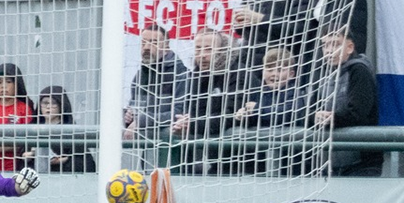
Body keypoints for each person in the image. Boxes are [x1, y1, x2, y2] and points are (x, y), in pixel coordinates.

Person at [171, 29, 251, 174]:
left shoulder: (239, 74)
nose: (202, 55)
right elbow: (192, 110)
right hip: (213, 155)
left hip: (242, 162)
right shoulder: (195, 75)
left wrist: (192, 124)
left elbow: (232, 116)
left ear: (222, 51)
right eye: (198, 49)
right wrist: (184, 122)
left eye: (208, 49)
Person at [316, 28, 381, 175]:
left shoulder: (359, 71)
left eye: (336, 44)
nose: (329, 50)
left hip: (362, 162)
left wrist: (333, 118)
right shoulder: (323, 75)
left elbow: (358, 111)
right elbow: (310, 108)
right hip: (332, 160)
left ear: (350, 47)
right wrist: (315, 117)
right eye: (325, 45)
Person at [233, 47, 305, 175]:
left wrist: (257, 111)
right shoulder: (258, 93)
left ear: (291, 74)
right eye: (269, 69)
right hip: (259, 160)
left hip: (290, 162)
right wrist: (244, 116)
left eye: (280, 70)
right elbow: (254, 119)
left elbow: (287, 113)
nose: (274, 74)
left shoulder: (295, 93)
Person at [125, 25, 189, 144]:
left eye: (153, 43)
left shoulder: (180, 73)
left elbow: (179, 114)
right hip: (148, 149)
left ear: (166, 47)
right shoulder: (139, 77)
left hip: (176, 149)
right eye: (143, 43)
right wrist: (128, 116)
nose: (146, 48)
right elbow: (135, 109)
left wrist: (141, 121)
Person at [0, 62, 35, 174]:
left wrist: (5, 147)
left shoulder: (24, 109)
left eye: (8, 81)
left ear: (17, 84)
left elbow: (28, 142)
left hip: (14, 168)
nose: (3, 86)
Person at [36, 85, 95, 175]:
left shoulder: (71, 131)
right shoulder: (33, 129)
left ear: (61, 105)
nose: (48, 107)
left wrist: (64, 161)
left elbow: (85, 163)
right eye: (45, 102)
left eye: (54, 103)